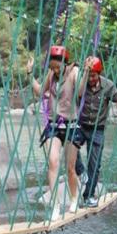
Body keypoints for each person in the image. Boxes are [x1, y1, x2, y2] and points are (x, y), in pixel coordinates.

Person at [27, 45, 82, 220]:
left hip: (71, 124)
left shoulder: (75, 72)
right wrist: (30, 75)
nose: (54, 70)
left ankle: (74, 198)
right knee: (52, 162)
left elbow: (81, 92)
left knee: (71, 168)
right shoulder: (51, 75)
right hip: (53, 124)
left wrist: (86, 73)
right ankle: (56, 206)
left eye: (57, 67)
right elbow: (39, 92)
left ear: (64, 63)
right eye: (52, 67)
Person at [77, 56, 117, 207]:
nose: (91, 79)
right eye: (89, 75)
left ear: (99, 73)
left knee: (94, 165)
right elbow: (79, 94)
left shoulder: (107, 85)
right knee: (69, 144)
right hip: (80, 126)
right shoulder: (82, 83)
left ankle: (88, 196)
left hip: (97, 129)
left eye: (93, 75)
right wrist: (85, 73)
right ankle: (80, 170)